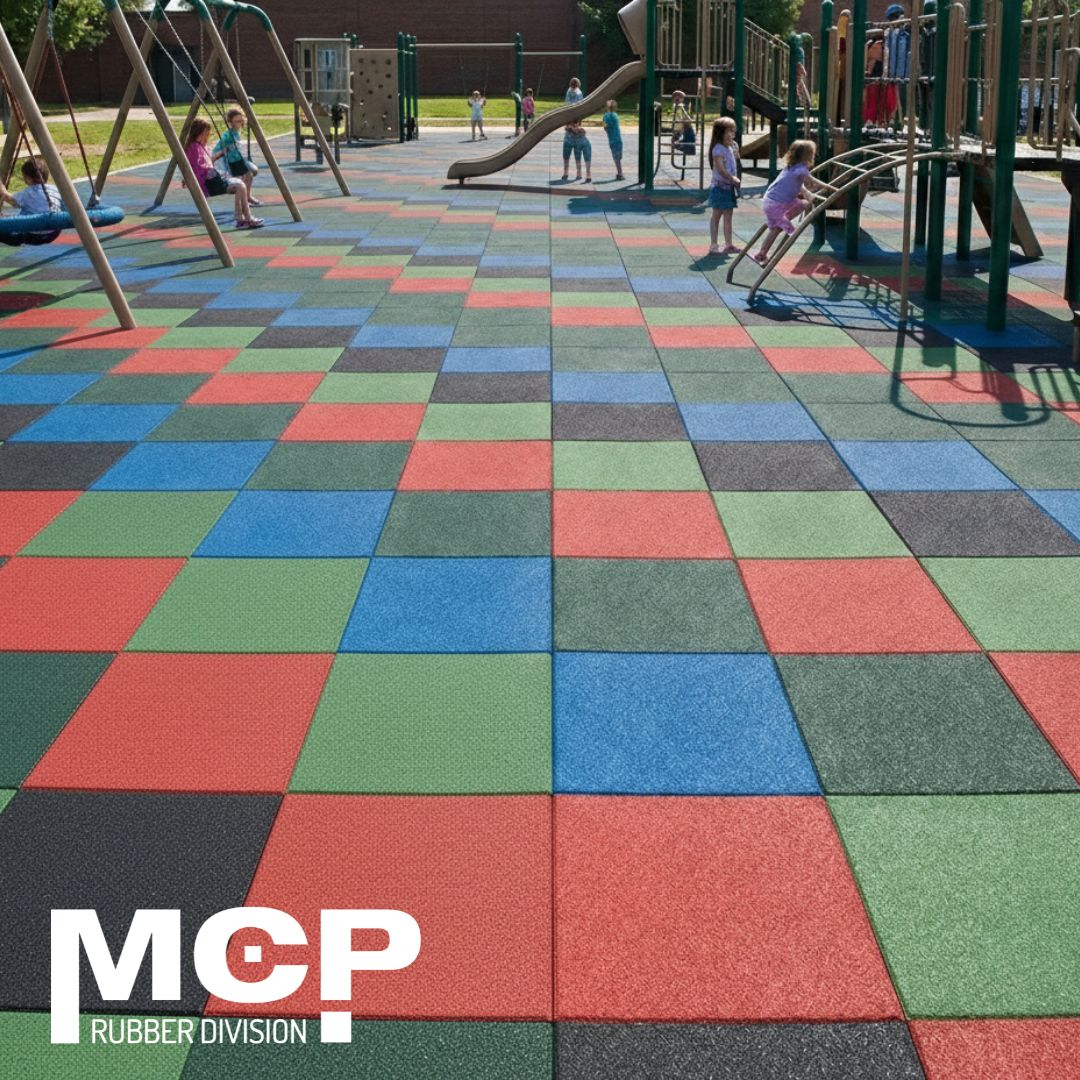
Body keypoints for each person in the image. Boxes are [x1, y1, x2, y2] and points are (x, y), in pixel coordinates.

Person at [751, 139, 823, 265]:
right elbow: (813, 182)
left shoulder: (791, 167)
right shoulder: (802, 170)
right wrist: (828, 187)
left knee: (802, 205)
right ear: (806, 156)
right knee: (785, 230)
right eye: (812, 153)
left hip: (773, 202)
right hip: (776, 205)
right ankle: (762, 253)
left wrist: (808, 193)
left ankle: (762, 253)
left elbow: (801, 186)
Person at [185, 117, 262, 229]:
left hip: (213, 181)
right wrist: (210, 172)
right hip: (209, 184)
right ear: (200, 133)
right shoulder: (195, 148)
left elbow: (209, 161)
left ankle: (244, 219)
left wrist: (221, 153)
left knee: (241, 184)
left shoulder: (201, 146)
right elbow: (196, 168)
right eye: (206, 134)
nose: (208, 137)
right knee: (240, 185)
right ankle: (242, 219)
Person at [0, 156, 64, 246]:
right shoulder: (55, 189)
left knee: (8, 233)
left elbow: (11, 200)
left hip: (34, 235)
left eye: (24, 177)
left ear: (29, 179)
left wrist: (2, 189)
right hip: (54, 231)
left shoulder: (28, 193)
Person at [213, 106, 260, 206]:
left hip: (237, 158)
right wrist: (221, 155)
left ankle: (246, 196)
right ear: (231, 122)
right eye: (237, 121)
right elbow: (218, 149)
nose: (240, 123)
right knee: (248, 175)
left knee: (252, 172)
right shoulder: (228, 135)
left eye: (241, 120)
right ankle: (246, 198)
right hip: (232, 161)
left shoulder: (236, 131)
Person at [707, 117, 740, 256]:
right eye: (730, 131)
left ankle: (728, 244)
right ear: (720, 133)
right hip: (720, 187)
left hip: (728, 188)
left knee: (728, 216)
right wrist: (731, 178)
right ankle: (714, 244)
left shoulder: (730, 147)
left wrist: (736, 152)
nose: (733, 134)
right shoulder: (718, 149)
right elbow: (720, 169)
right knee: (716, 216)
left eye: (734, 131)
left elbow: (735, 162)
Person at [601, 100, 624, 180]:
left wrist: (607, 129)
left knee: (616, 158)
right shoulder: (615, 115)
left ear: (607, 107)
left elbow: (605, 128)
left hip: (612, 139)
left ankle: (620, 173)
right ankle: (620, 173)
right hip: (618, 138)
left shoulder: (605, 116)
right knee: (618, 157)